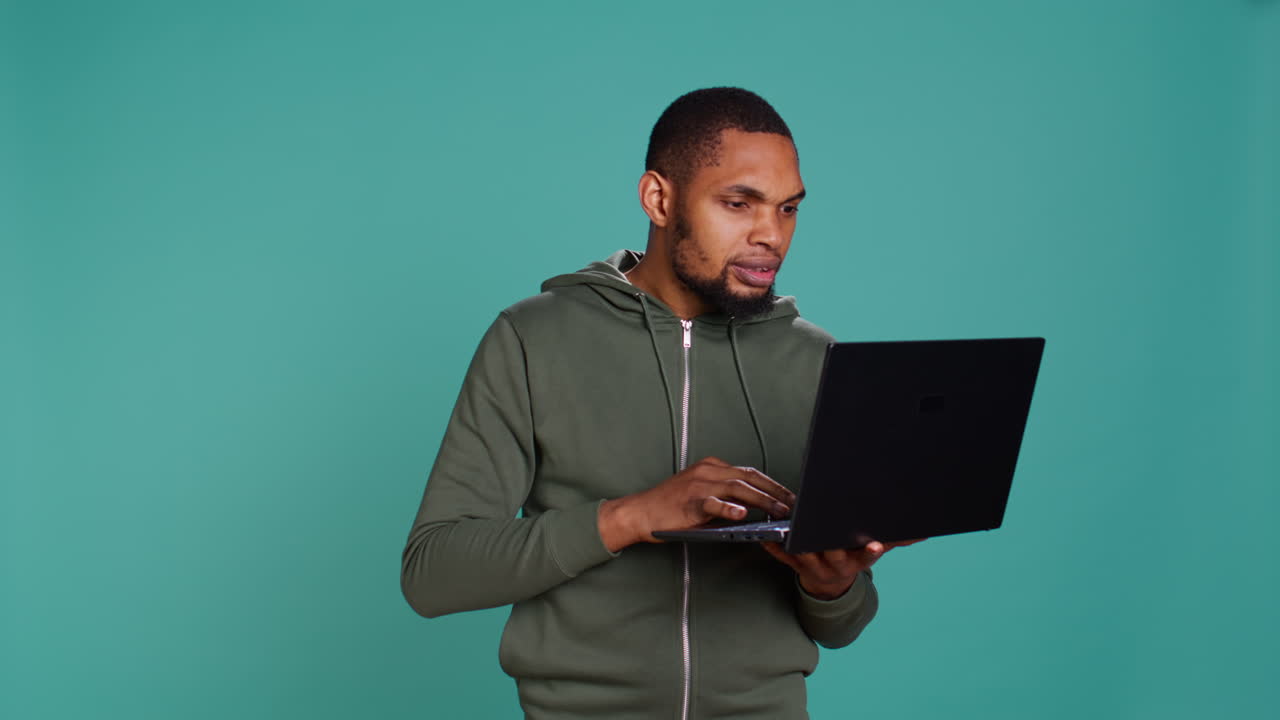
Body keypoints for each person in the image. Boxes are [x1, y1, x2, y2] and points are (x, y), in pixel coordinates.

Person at [401, 87, 916, 720]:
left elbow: (840, 626)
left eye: (788, 209)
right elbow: (433, 573)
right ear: (659, 199)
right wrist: (634, 516)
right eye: (738, 203)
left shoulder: (818, 360)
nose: (771, 235)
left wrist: (832, 584)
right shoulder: (533, 337)